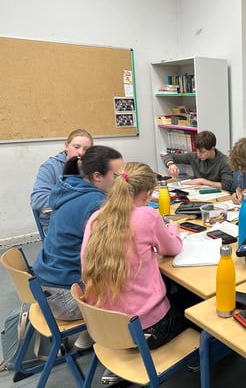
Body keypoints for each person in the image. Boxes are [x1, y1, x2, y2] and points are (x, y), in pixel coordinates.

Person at [81, 162, 200, 351]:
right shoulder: (148, 216)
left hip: (104, 327)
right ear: (147, 195)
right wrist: (173, 228)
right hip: (146, 330)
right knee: (199, 305)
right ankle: (206, 356)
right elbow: (172, 248)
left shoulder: (96, 218)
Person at [32, 145, 124, 323]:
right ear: (97, 176)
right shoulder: (96, 203)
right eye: (117, 175)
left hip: (46, 287)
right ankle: (101, 332)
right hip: (68, 299)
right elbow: (114, 254)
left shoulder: (69, 188)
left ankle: (91, 335)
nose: (123, 179)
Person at [30, 129, 93, 234]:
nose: (81, 152)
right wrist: (76, 202)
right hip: (57, 224)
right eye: (76, 147)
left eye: (86, 149)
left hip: (86, 219)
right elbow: (38, 200)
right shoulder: (50, 167)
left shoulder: (93, 167)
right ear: (67, 146)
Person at [162, 130, 233, 191]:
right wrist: (171, 164)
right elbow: (168, 156)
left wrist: (202, 181)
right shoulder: (194, 156)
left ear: (212, 149)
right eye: (196, 150)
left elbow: (226, 186)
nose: (198, 155)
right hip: (196, 192)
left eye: (202, 152)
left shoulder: (225, 162)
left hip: (218, 195)